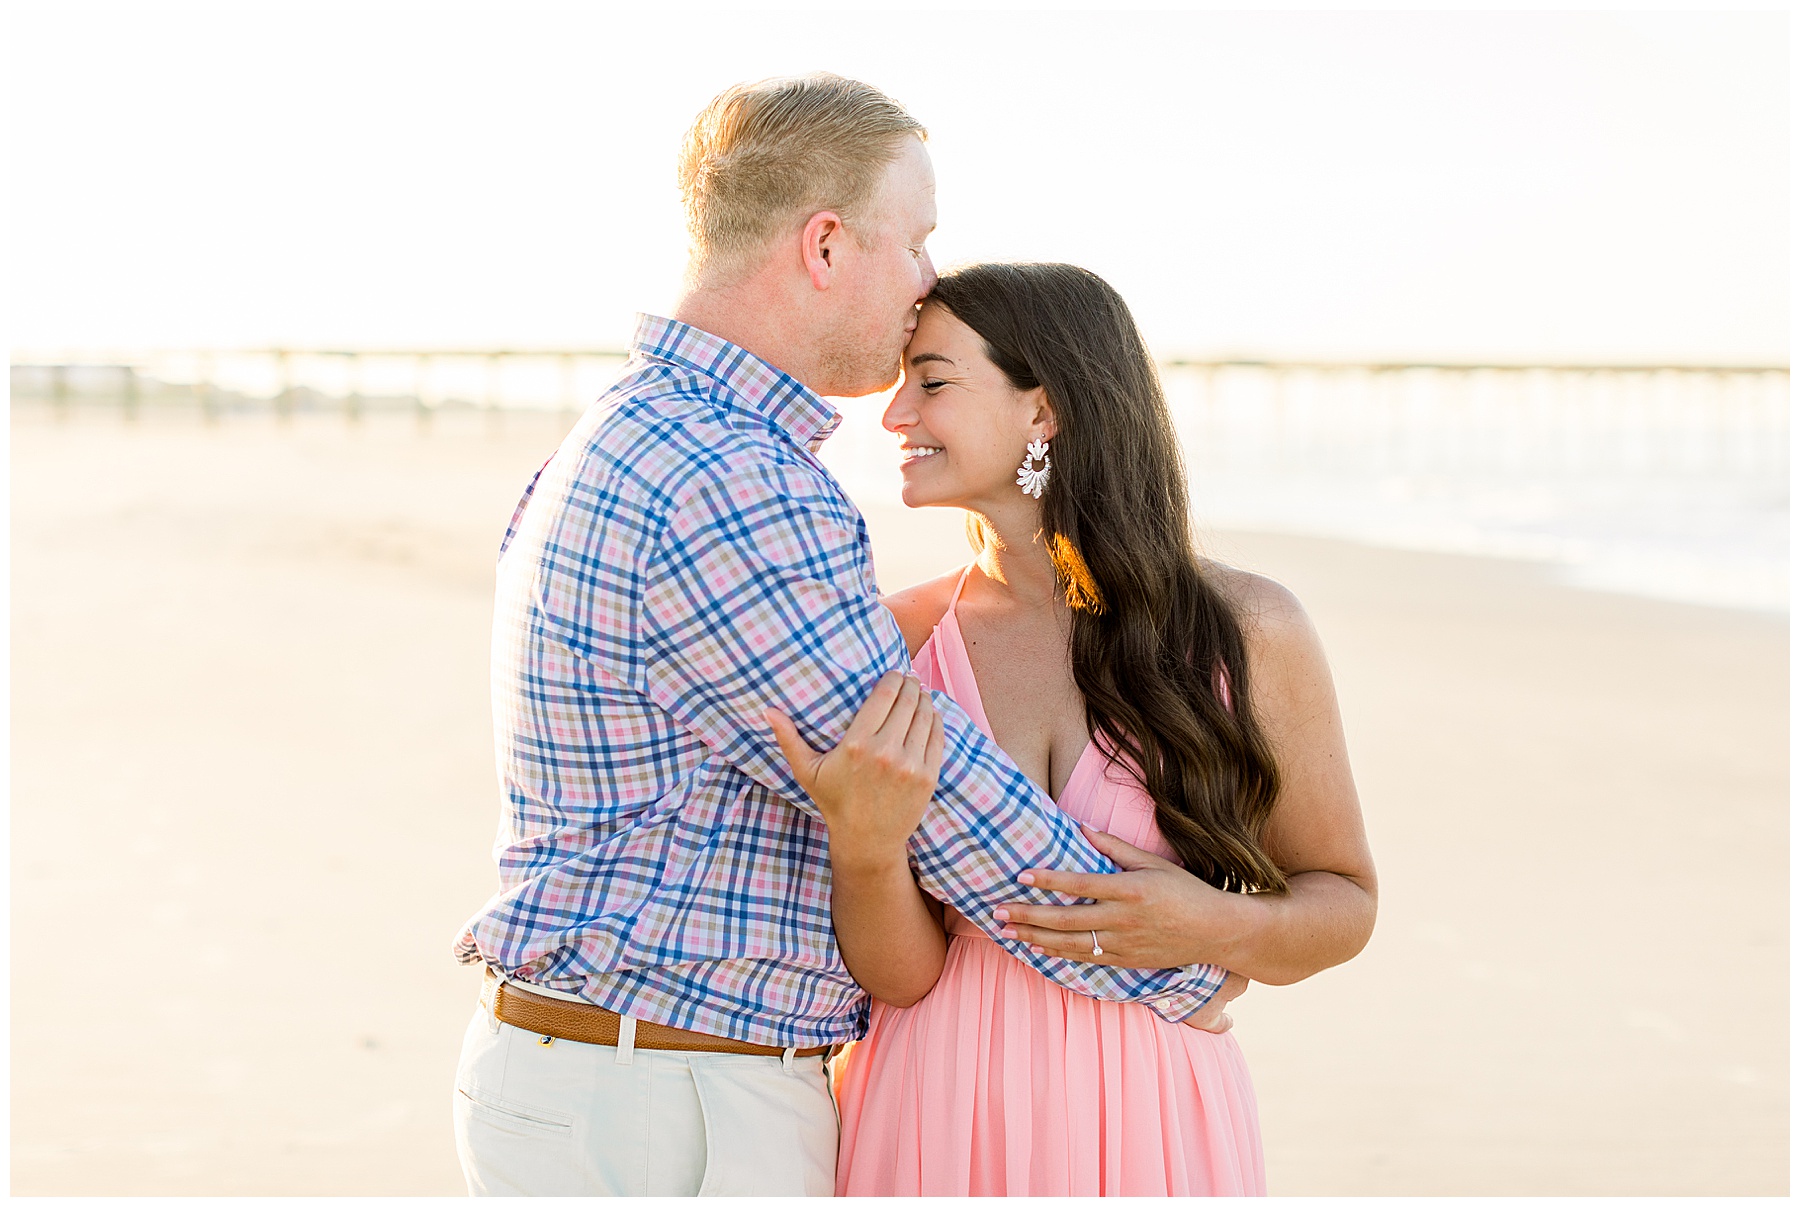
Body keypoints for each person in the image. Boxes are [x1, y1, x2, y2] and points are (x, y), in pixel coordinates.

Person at [449, 75, 1236, 1197]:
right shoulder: (731, 478)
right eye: (914, 242)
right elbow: (931, 790)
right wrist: (1187, 963)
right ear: (825, 245)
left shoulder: (634, 432)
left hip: (618, 1079)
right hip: (665, 1103)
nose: (926, 282)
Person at [768, 263, 1379, 1195]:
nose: (893, 414)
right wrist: (865, 847)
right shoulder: (897, 641)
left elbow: (1344, 900)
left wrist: (1214, 923)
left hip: (1152, 1110)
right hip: (935, 1103)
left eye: (932, 381)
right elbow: (902, 976)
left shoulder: (1249, 629)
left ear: (1043, 409)